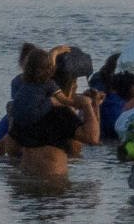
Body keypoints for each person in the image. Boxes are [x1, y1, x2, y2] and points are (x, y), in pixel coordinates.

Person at [11, 49, 103, 178]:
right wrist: (87, 105)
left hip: (25, 177)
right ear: (71, 86)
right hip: (53, 182)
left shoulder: (23, 107)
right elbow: (92, 138)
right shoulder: (61, 113)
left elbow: (11, 148)